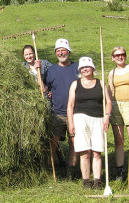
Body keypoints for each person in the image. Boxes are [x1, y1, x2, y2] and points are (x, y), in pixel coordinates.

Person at [67, 57, 112, 189]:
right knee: (84, 152)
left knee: (97, 152)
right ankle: (86, 181)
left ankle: (97, 181)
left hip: (98, 118)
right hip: (80, 118)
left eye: (87, 66)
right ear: (80, 70)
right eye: (83, 67)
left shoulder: (100, 83)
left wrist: (107, 116)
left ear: (92, 68)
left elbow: (108, 102)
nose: (85, 69)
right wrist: (71, 123)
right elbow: (70, 105)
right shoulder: (75, 84)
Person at [43, 38, 79, 179]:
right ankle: (49, 169)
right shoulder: (51, 70)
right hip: (57, 113)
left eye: (63, 50)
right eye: (58, 50)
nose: (60, 53)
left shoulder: (77, 68)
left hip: (76, 114)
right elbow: (45, 88)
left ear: (68, 51)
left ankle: (71, 171)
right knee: (53, 141)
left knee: (73, 143)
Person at [108, 46, 129, 186]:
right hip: (116, 105)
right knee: (119, 140)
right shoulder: (112, 72)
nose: (120, 57)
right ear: (113, 58)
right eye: (117, 55)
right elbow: (111, 90)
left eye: (122, 54)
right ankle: (120, 171)